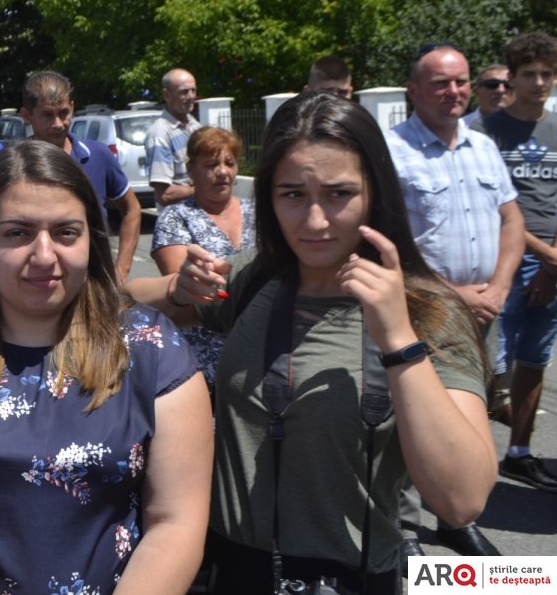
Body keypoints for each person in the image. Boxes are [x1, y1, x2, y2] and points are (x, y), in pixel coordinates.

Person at [128, 93, 496, 594]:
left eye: (339, 193)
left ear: (376, 193)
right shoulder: (259, 276)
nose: (315, 221)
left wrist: (398, 340)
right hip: (231, 571)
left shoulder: (427, 312)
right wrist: (177, 287)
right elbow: (121, 302)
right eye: (293, 194)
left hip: (349, 578)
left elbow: (461, 500)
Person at [0, 140, 212, 594]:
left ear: (91, 239)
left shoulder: (152, 350)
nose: (43, 255)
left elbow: (175, 522)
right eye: (17, 233)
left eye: (65, 233)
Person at [386, 43, 523, 559]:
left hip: (484, 309)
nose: (454, 91)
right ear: (413, 91)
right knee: (408, 413)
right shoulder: (390, 151)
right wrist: (451, 294)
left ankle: (455, 518)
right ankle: (401, 526)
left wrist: (500, 286)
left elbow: (511, 219)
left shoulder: (482, 146)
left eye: (461, 81)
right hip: (421, 307)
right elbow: (385, 240)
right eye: (440, 83)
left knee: (469, 409)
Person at [471, 31, 557, 493]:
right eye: (530, 74)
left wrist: (550, 264)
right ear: (513, 77)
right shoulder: (486, 133)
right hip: (501, 259)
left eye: (547, 74)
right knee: (489, 364)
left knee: (534, 359)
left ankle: (519, 453)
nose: (539, 83)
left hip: (551, 264)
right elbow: (492, 206)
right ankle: (472, 458)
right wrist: (543, 256)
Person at [150, 126, 255, 392]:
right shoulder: (175, 218)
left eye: (229, 163)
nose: (222, 171)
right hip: (204, 366)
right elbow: (188, 294)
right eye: (211, 165)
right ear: (191, 170)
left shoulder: (258, 212)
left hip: (259, 362)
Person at [19, 71, 142, 281]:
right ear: (27, 116)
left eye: (64, 113)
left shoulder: (98, 156)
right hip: (40, 281)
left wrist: (121, 269)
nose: (58, 123)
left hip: (95, 282)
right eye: (47, 115)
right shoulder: (16, 164)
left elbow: (132, 209)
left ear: (73, 108)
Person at [144, 68, 200, 206]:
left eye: (193, 90)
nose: (191, 96)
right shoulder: (160, 134)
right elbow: (164, 195)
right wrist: (204, 189)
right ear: (166, 95)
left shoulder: (194, 125)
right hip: (179, 217)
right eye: (184, 92)